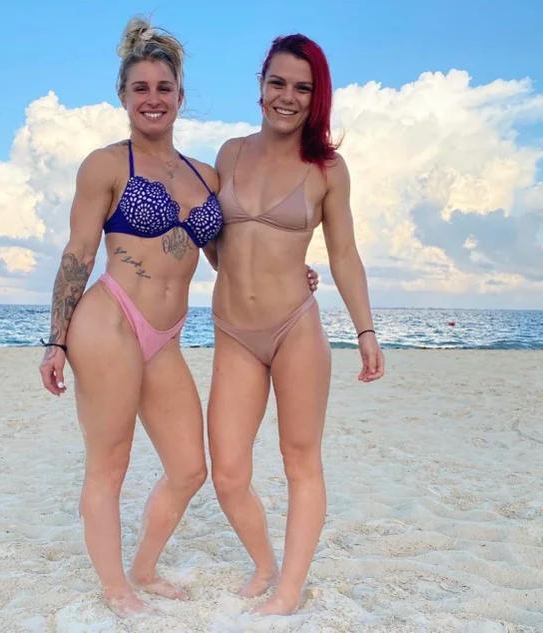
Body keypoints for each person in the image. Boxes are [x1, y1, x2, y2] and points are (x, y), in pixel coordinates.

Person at [38, 17, 224, 615]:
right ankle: (116, 586)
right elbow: (77, 254)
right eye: (140, 88)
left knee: (189, 468)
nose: (152, 98)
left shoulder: (206, 176)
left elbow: (224, 258)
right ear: (122, 96)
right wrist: (55, 341)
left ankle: (144, 567)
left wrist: (288, 275)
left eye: (163, 88)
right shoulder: (106, 165)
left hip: (165, 337)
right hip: (109, 320)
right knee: (110, 462)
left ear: (180, 96)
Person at [205, 34, 385, 615]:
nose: (288, 96)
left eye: (302, 88)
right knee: (227, 472)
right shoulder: (229, 154)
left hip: (295, 331)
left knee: (300, 461)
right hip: (234, 332)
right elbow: (216, 244)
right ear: (260, 86)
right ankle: (265, 564)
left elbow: (344, 254)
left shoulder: (327, 169)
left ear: (317, 97)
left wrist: (365, 331)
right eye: (278, 83)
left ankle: (289, 588)